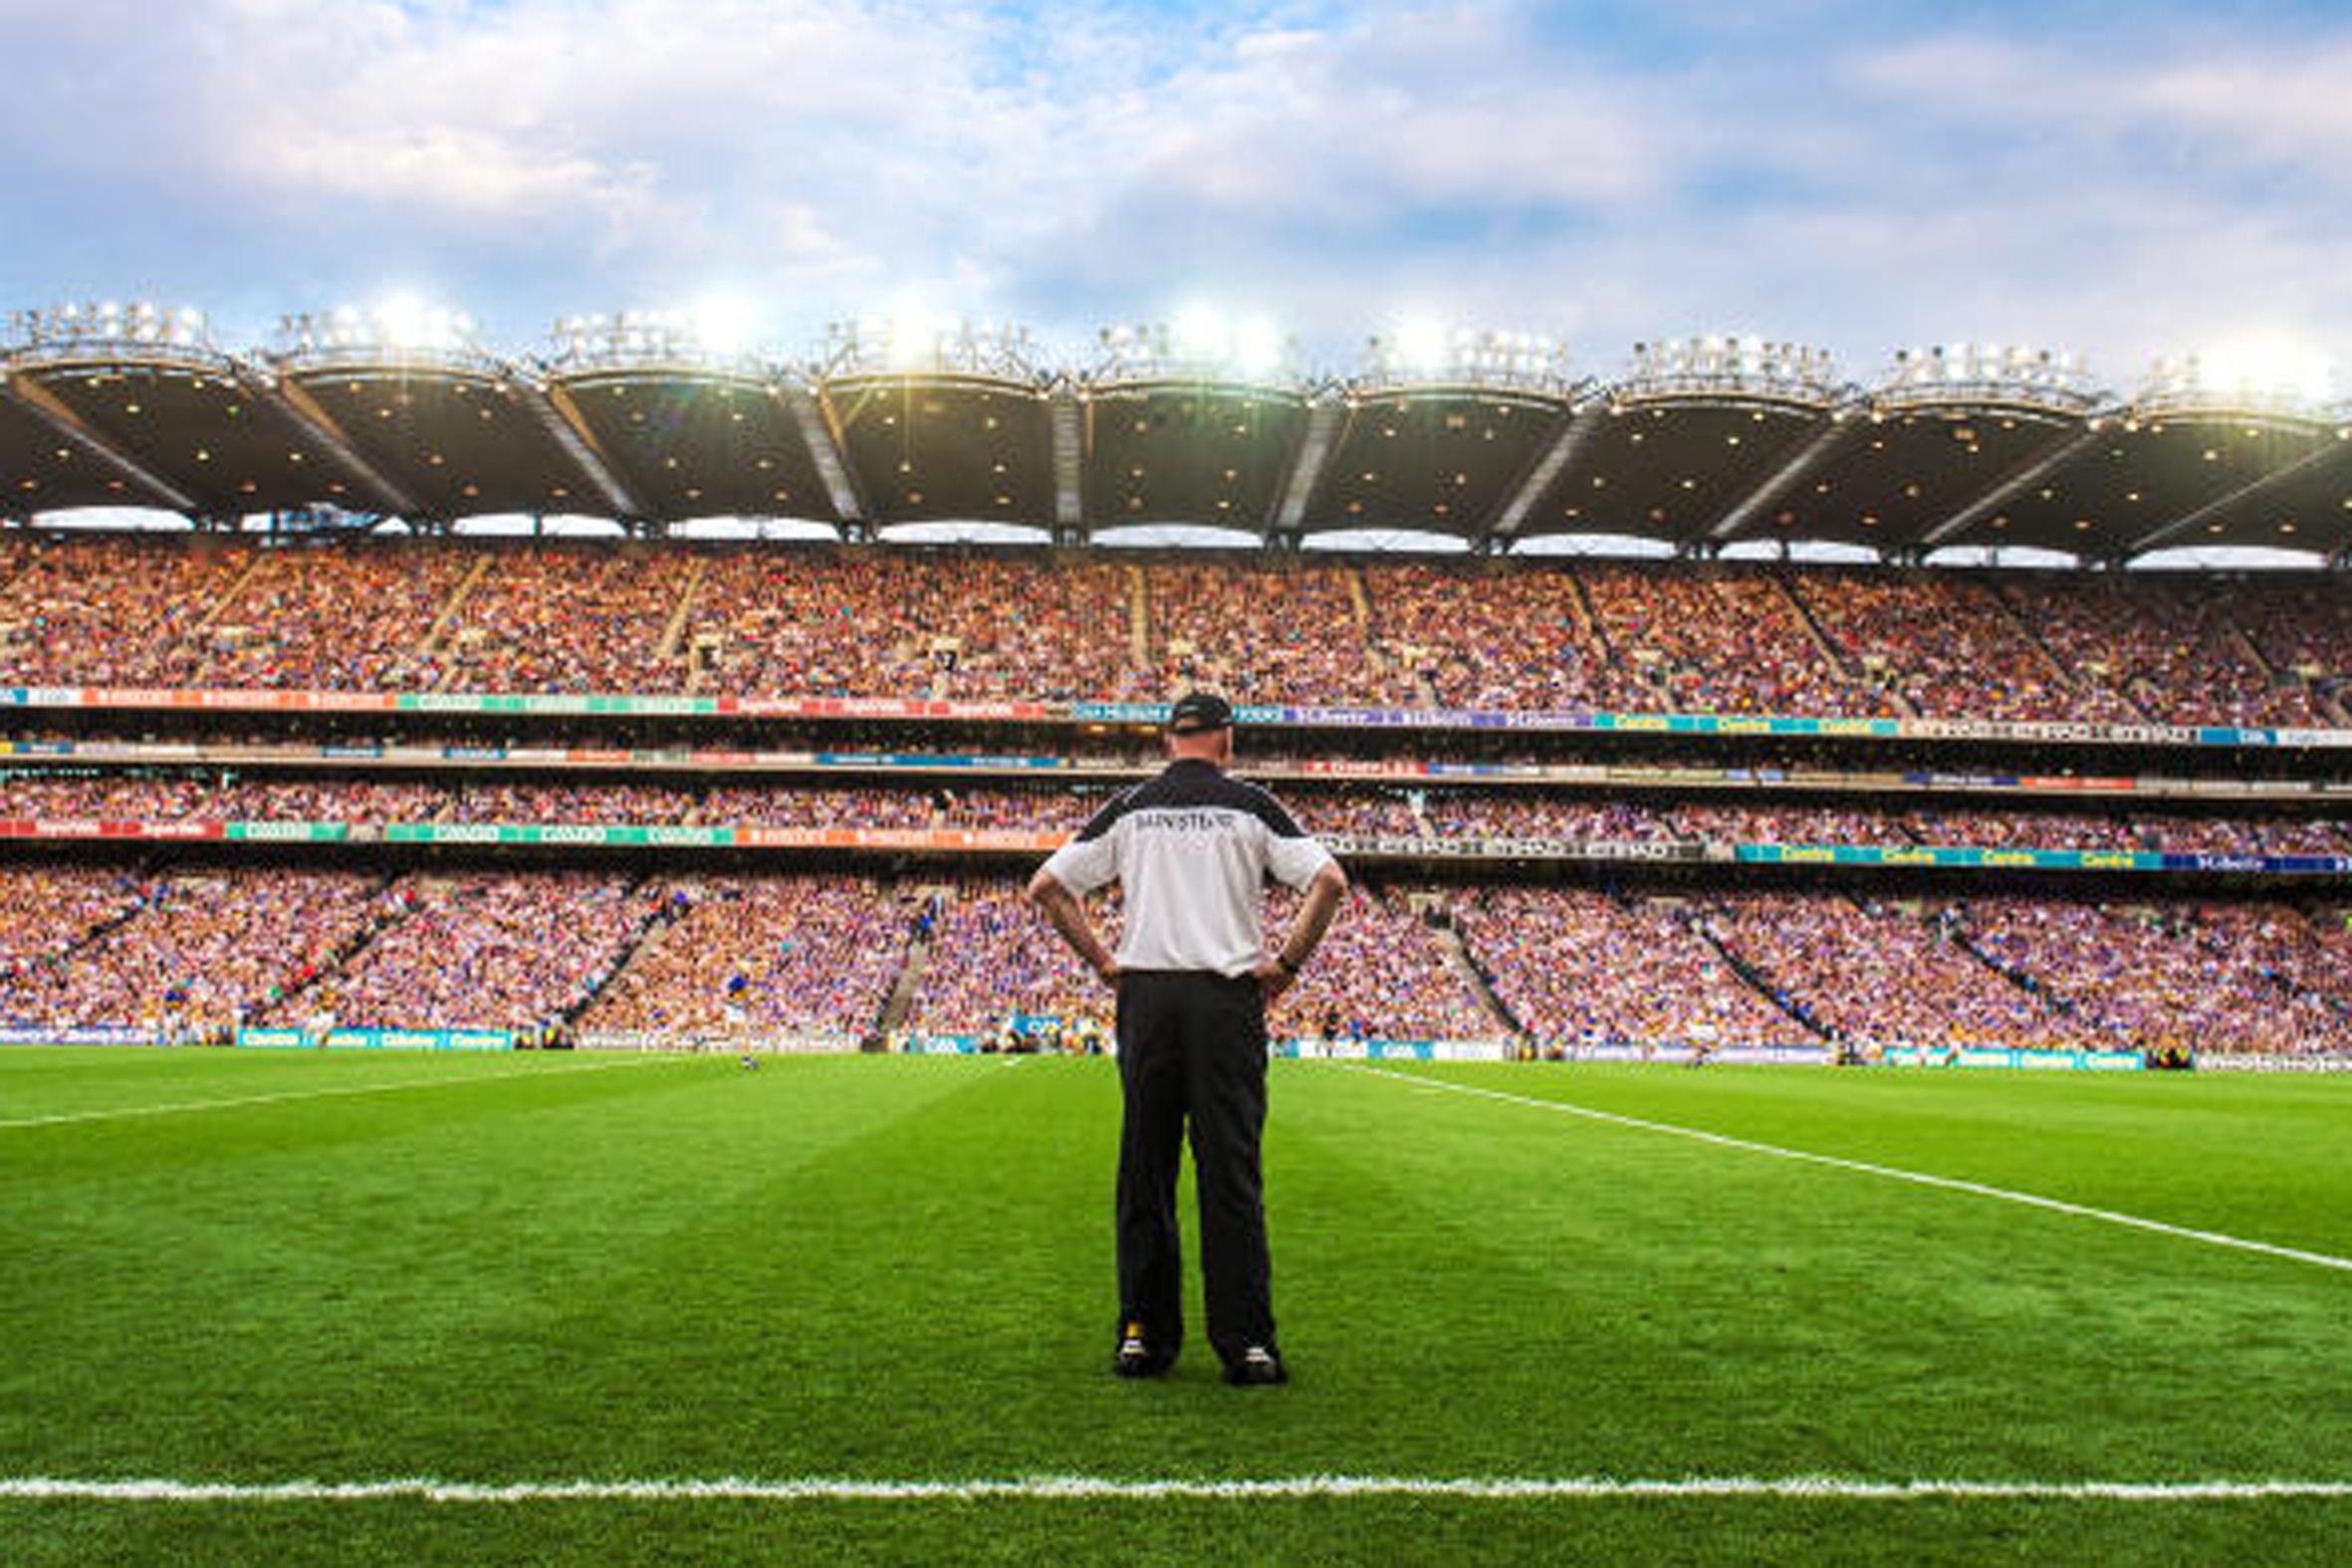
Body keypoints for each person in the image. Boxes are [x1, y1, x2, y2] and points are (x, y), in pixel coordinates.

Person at [1028, 691, 1347, 1387]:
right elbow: (1328, 879)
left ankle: (1144, 1334)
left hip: (1148, 998)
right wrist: (1286, 965)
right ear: (1226, 740)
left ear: (1170, 741)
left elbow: (1048, 885)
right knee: (1229, 1172)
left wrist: (1104, 961)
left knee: (1146, 1171)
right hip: (1224, 999)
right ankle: (1247, 1342)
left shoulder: (1134, 806)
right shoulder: (1251, 804)